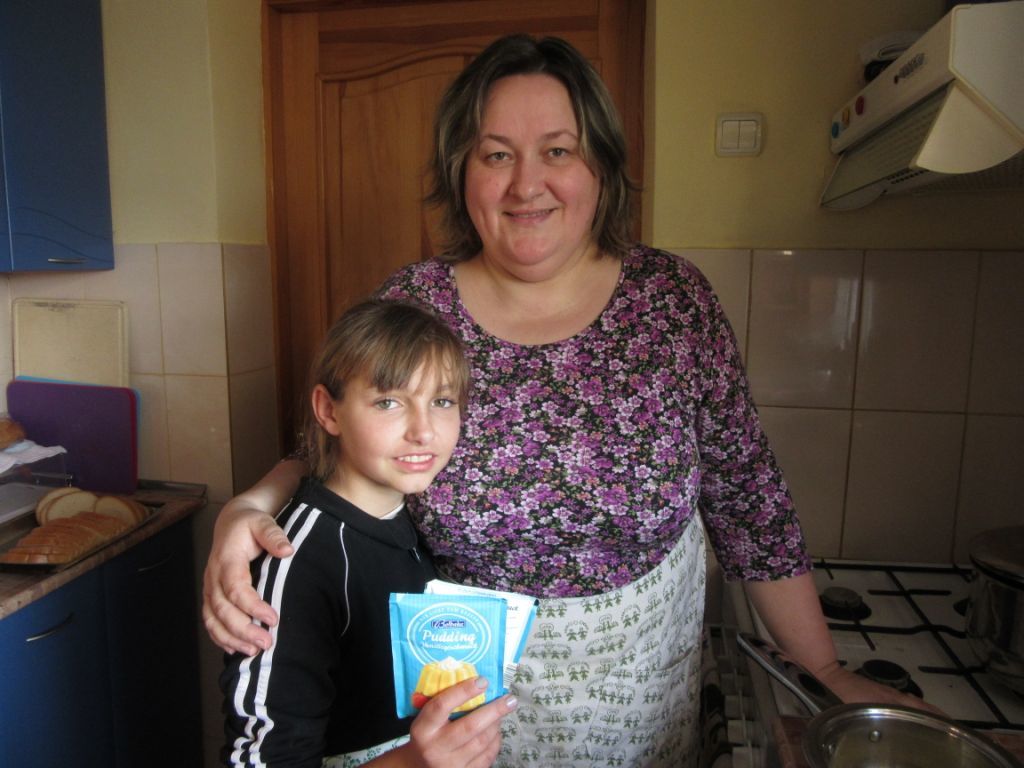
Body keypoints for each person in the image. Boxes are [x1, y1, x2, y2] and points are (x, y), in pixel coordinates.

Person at [206, 34, 935, 767]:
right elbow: (337, 453)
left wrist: (824, 668)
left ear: (602, 167)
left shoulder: (673, 303)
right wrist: (248, 508)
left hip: (643, 712)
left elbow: (748, 498)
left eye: (558, 150)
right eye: (496, 155)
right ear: (462, 172)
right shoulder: (415, 304)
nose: (527, 185)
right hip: (450, 718)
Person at [220, 299, 516, 768]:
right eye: (388, 402)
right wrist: (412, 763)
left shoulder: (411, 514)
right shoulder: (297, 560)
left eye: (442, 401)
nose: (423, 432)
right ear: (329, 410)